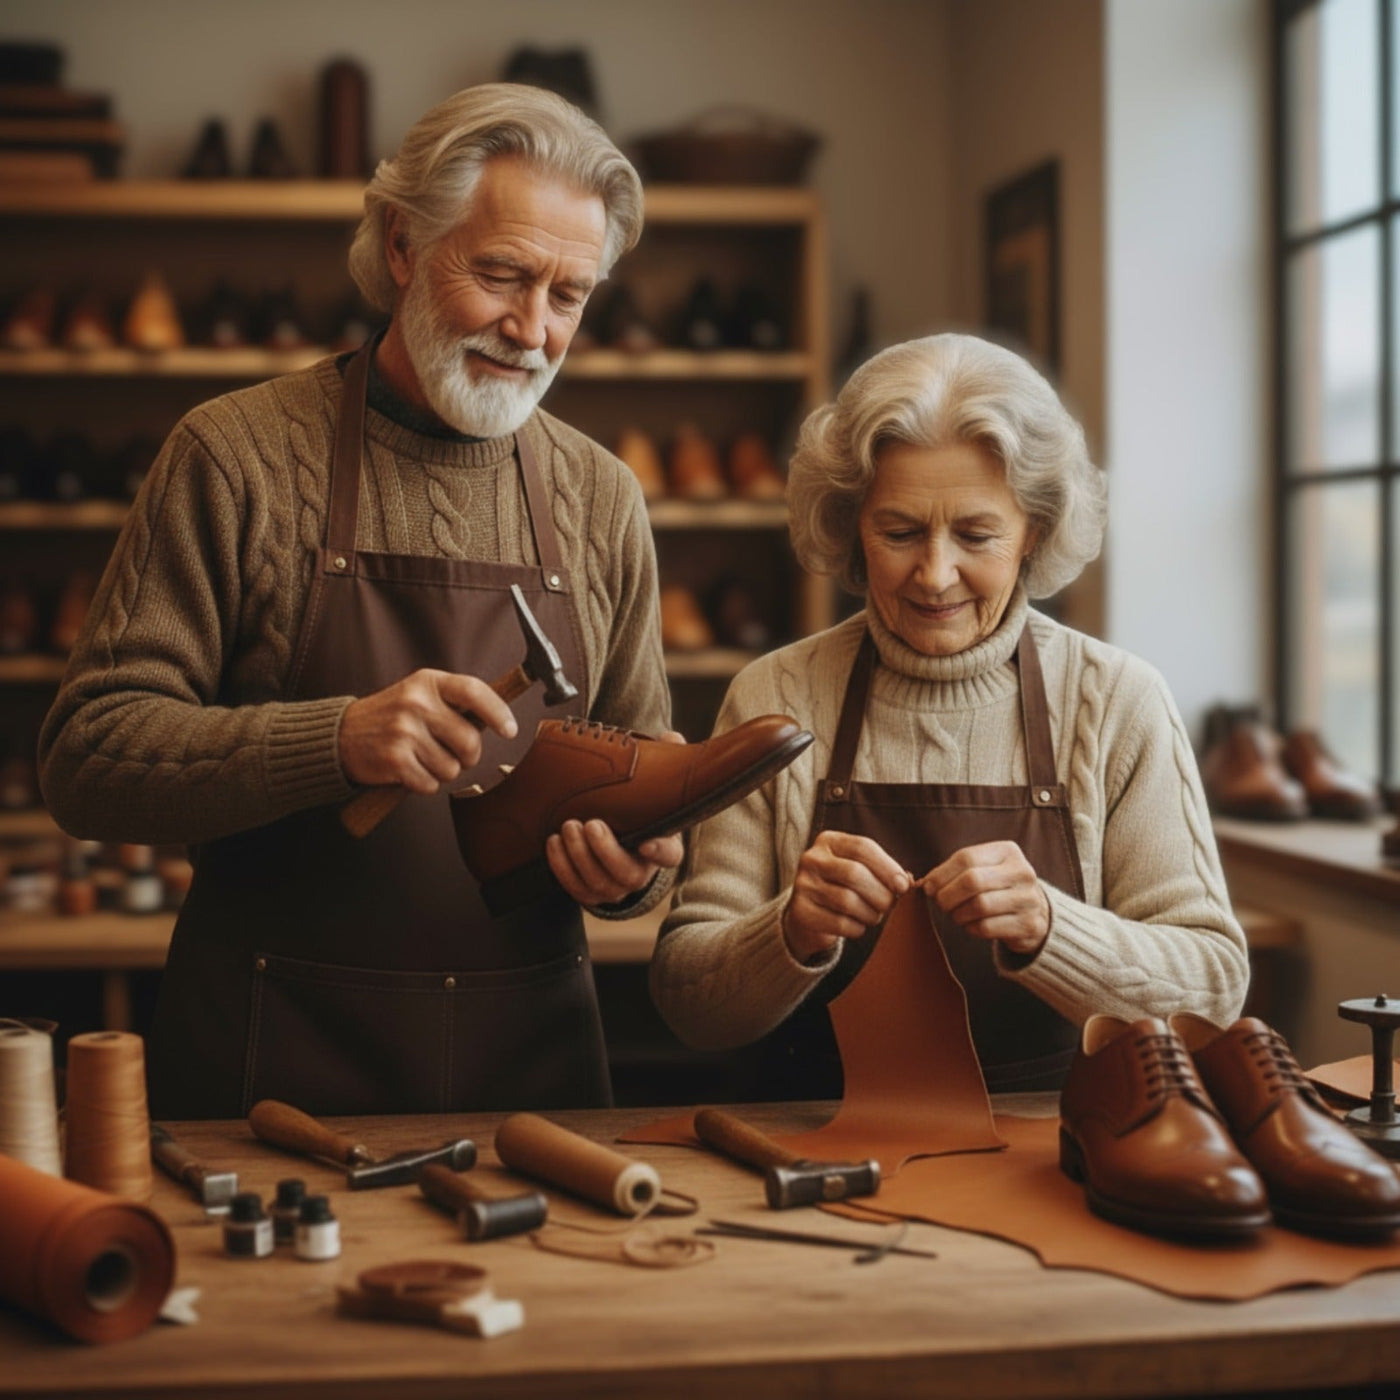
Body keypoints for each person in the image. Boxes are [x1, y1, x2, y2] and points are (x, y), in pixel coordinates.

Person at [39, 84, 683, 1118]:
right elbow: (88, 758)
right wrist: (333, 739)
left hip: (529, 1090)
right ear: (400, 245)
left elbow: (645, 776)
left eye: (569, 295)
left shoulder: (601, 495)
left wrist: (635, 866)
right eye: (503, 274)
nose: (532, 329)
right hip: (268, 1078)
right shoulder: (235, 453)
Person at [650, 333, 1248, 1097]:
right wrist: (789, 933)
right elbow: (688, 1005)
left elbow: (1213, 988)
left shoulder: (1118, 699)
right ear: (851, 526)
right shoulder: (776, 695)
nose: (935, 576)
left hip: (1062, 1145)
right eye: (899, 533)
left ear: (1033, 529)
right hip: (807, 1140)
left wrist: (1051, 929)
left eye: (976, 534)